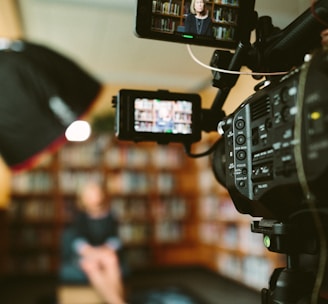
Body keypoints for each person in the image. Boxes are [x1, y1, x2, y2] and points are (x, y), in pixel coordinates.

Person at [59, 181, 126, 304]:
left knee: (111, 260)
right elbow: (77, 241)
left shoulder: (110, 215)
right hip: (87, 253)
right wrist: (92, 252)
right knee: (91, 265)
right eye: (89, 195)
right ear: (83, 198)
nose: (92, 197)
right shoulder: (79, 217)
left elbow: (115, 239)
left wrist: (105, 249)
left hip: (105, 252)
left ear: (101, 195)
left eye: (95, 193)